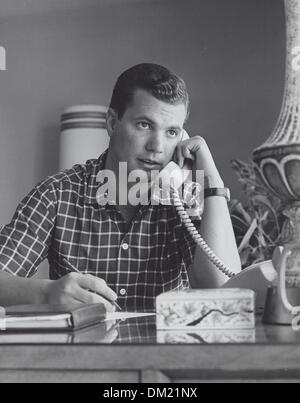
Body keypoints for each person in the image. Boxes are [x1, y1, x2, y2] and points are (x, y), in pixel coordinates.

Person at [0, 63, 241, 311]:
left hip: (162, 351)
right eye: (144, 125)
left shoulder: (182, 199)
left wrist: (213, 184)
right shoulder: (56, 194)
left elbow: (225, 291)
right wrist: (47, 293)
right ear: (113, 123)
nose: (157, 146)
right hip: (86, 350)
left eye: (171, 132)